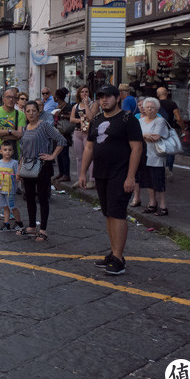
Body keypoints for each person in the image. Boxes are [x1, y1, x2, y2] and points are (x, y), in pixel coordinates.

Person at [78, 84, 143, 276]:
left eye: (108, 96)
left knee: (118, 213)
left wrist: (131, 176)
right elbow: (89, 148)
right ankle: (114, 253)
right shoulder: (96, 119)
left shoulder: (127, 119)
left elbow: (137, 149)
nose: (104, 100)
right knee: (108, 213)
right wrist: (82, 173)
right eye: (101, 97)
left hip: (120, 173)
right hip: (101, 173)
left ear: (117, 98)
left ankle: (118, 258)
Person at [16, 100, 66, 242]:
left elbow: (61, 140)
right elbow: (22, 152)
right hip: (28, 167)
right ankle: (32, 226)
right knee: (29, 197)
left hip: (43, 166)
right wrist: (19, 170)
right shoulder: (25, 129)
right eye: (28, 111)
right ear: (24, 113)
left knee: (43, 198)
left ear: (39, 112)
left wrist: (52, 155)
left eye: (34, 110)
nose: (31, 113)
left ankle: (43, 229)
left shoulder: (44, 126)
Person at [0, 87, 25, 219]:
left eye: (14, 97)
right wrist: (10, 132)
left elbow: (19, 135)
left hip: (13, 152)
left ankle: (6, 208)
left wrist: (1, 133)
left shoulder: (20, 115)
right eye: (8, 97)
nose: (11, 99)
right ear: (3, 98)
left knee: (10, 182)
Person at [137, 97, 170, 216]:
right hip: (143, 154)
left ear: (157, 109)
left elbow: (156, 137)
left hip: (156, 155)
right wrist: (146, 136)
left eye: (152, 108)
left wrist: (143, 135)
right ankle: (152, 203)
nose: (149, 110)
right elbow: (136, 137)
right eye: (147, 107)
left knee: (158, 180)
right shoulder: (140, 121)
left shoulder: (160, 120)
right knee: (147, 180)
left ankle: (163, 205)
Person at [70, 85, 98, 190]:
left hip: (88, 133)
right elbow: (72, 119)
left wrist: (86, 105)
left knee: (90, 156)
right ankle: (80, 178)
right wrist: (81, 120)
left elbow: (91, 117)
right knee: (79, 157)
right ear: (79, 94)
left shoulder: (94, 104)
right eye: (82, 92)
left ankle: (92, 179)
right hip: (78, 132)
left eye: (86, 91)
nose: (84, 94)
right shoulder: (76, 106)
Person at [0, 142, 24, 233]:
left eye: (10, 150)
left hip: (10, 190)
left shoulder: (14, 163)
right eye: (5, 150)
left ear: (13, 151)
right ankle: (6, 224)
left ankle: (19, 223)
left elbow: (17, 176)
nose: (7, 152)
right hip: (1, 190)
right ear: (1, 151)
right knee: (5, 207)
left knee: (12, 206)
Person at [156, 87, 186, 178]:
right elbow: (178, 118)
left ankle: (159, 167)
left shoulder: (155, 104)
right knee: (170, 149)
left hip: (156, 129)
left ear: (157, 95)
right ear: (167, 93)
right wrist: (183, 128)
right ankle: (169, 167)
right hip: (168, 129)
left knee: (157, 148)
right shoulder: (172, 104)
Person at [52, 87, 73, 183]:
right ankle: (61, 173)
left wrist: (61, 115)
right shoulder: (57, 106)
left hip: (64, 133)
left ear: (57, 97)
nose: (53, 97)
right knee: (59, 154)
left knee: (64, 154)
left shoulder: (67, 106)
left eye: (55, 95)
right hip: (57, 132)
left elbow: (71, 117)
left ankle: (66, 174)